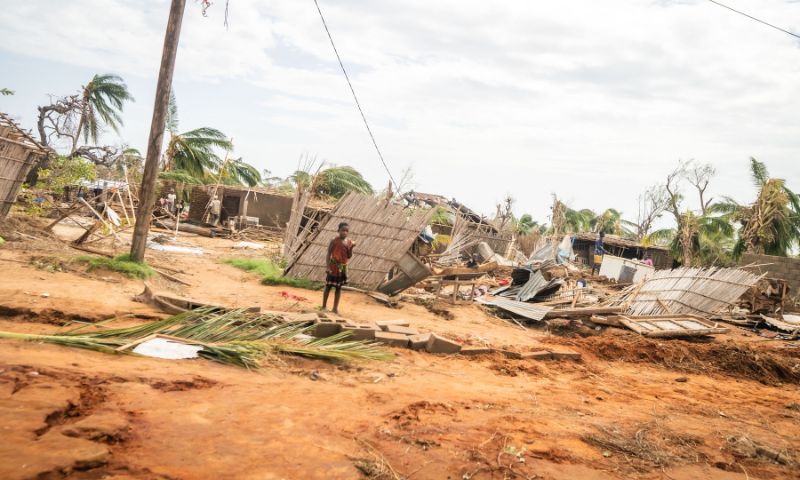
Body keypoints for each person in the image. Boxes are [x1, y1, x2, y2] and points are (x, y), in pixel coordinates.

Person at [322, 222, 355, 314]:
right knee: (328, 286)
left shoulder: (349, 242)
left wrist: (351, 248)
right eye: (343, 230)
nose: (345, 232)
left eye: (346, 231)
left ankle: (335, 308)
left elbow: (349, 256)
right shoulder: (334, 240)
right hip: (333, 266)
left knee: (338, 288)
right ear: (338, 231)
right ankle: (324, 306)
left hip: (342, 268)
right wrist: (328, 267)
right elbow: (328, 253)